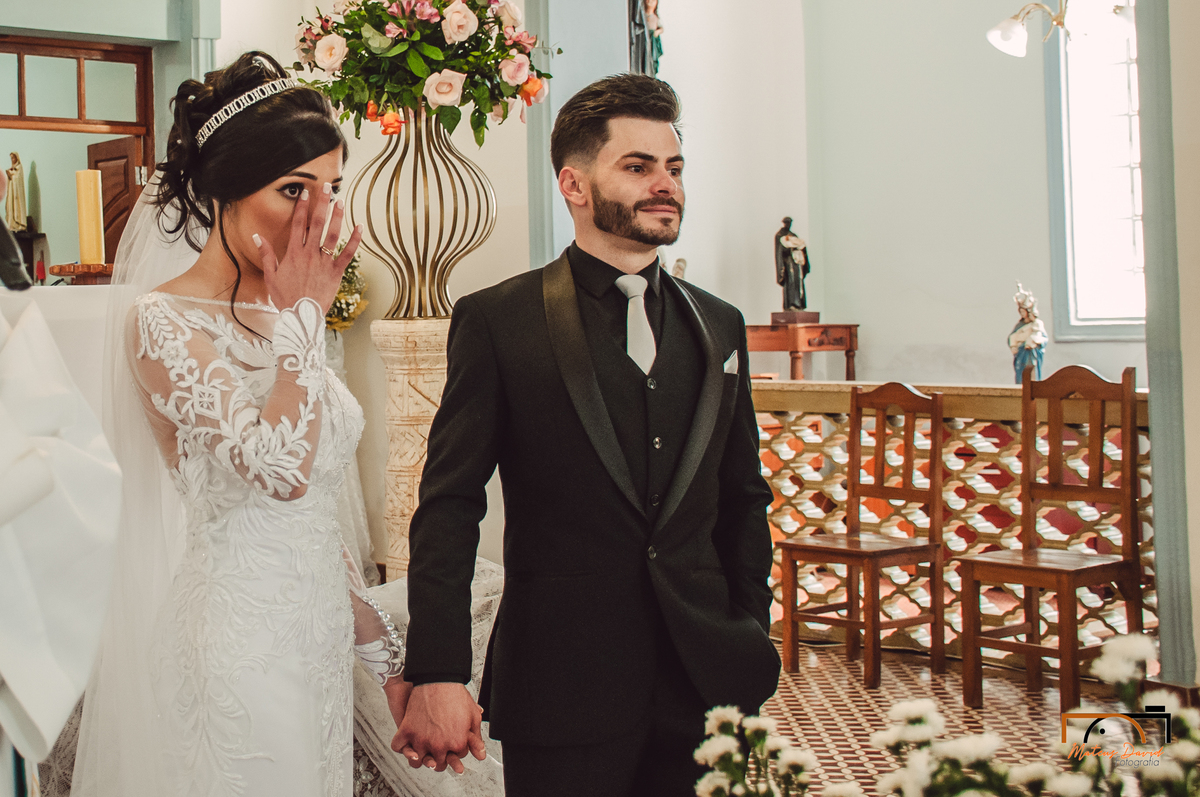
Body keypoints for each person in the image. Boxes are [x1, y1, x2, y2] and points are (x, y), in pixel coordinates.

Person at [396, 74, 781, 796]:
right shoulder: (499, 320)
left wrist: (749, 631)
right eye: (637, 166)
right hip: (562, 683)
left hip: (707, 680)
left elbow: (742, 494)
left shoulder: (719, 323)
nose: (665, 185)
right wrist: (438, 669)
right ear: (573, 185)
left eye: (674, 167)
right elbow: (450, 502)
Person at [72, 52, 408, 797]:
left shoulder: (289, 315)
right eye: (293, 189)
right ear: (227, 191)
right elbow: (280, 472)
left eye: (331, 189)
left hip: (317, 649)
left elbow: (316, 517)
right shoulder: (163, 321)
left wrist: (386, 662)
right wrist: (306, 316)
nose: (319, 216)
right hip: (236, 652)